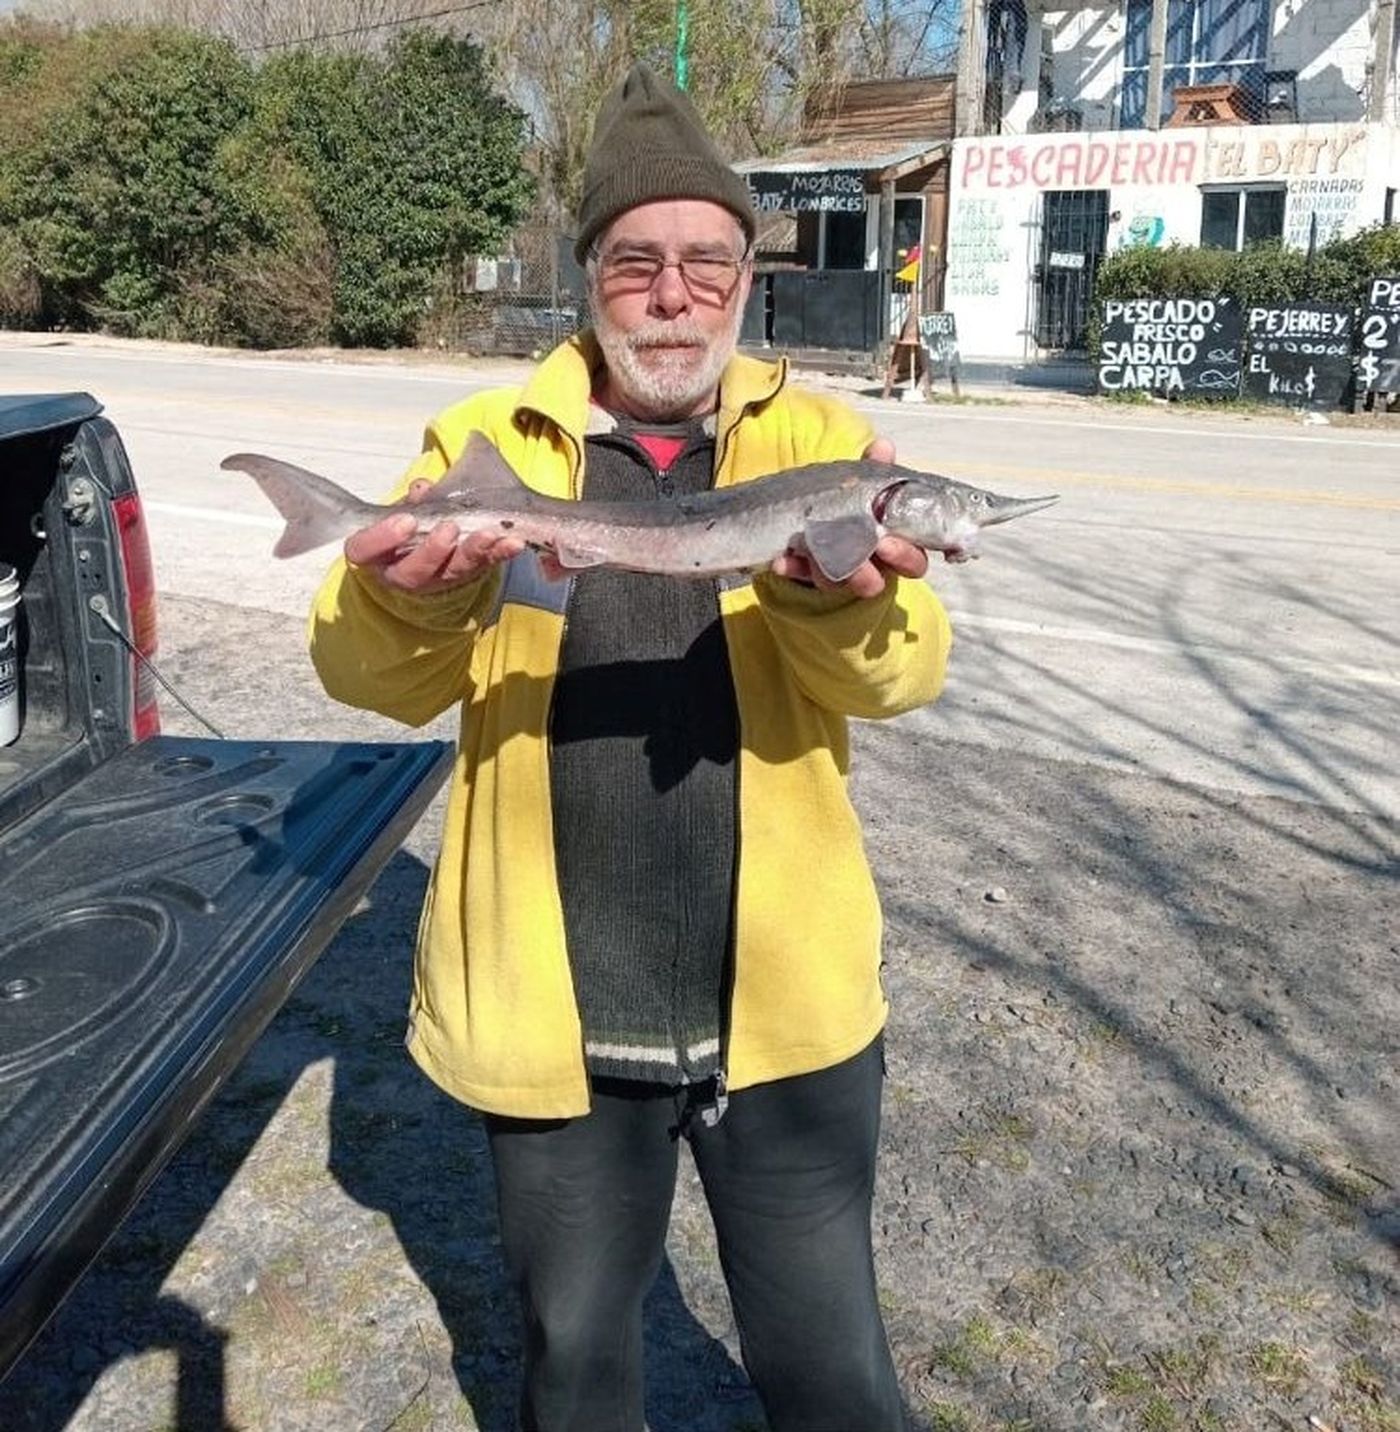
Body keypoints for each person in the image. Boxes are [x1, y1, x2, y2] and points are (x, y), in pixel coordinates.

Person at [309, 61, 952, 1432]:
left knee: (837, 1376)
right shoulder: (489, 443)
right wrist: (398, 593)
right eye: (640, 260)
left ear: (746, 279)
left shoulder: (828, 443)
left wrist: (832, 596)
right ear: (588, 272)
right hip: (555, 1016)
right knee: (578, 1370)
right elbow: (370, 680)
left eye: (709, 265)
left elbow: (903, 676)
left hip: (785, 1010)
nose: (675, 296)